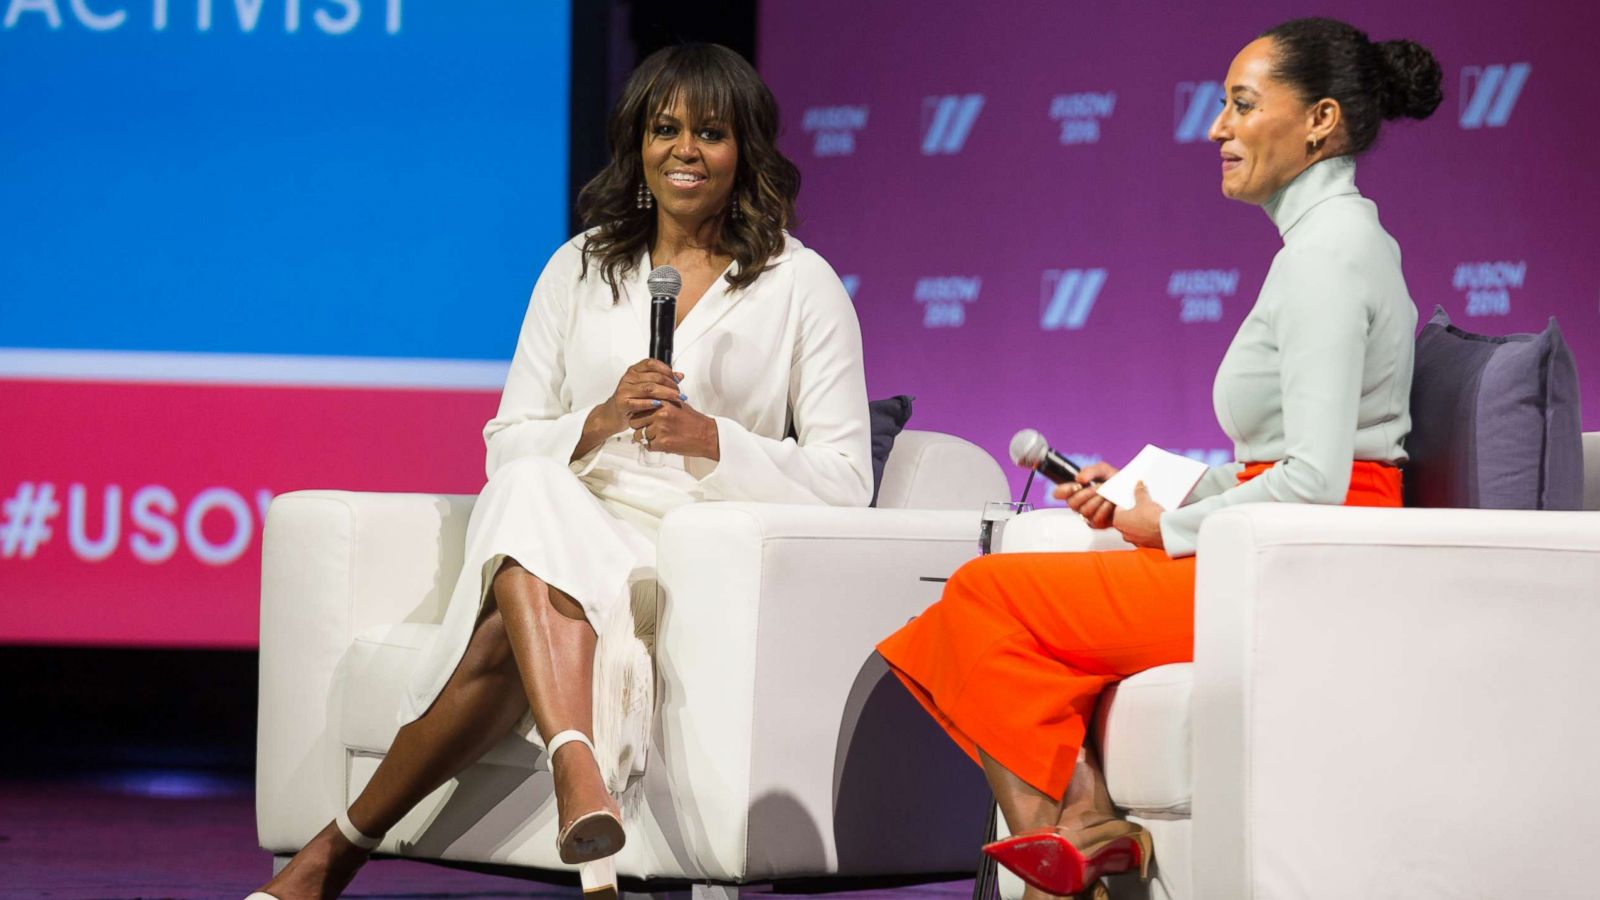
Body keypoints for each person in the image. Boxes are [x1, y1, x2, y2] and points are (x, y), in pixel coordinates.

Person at [249, 43, 873, 900]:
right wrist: (599, 421)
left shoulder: (801, 285)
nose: (685, 150)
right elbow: (505, 445)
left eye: (711, 133)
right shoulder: (581, 267)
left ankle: (336, 857)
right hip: (559, 517)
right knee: (533, 487)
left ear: (747, 152)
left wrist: (714, 441)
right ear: (639, 146)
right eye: (665, 129)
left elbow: (847, 481)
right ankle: (579, 772)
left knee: (512, 601)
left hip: (687, 557)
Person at [877, 18, 1442, 900]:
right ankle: (1083, 833)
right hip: (1273, 541)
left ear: (1321, 120)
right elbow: (1279, 465)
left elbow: (1318, 484)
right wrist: (1158, 486)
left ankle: (1076, 846)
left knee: (984, 596)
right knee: (995, 610)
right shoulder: (1333, 245)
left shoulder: (1327, 260)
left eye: (1242, 105)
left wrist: (1168, 524)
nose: (1216, 128)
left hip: (1296, 566)